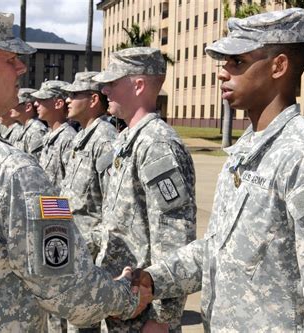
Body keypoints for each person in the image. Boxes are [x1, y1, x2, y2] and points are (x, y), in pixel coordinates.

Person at [0, 7, 151, 331]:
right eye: (9, 59)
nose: (21, 68)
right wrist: (127, 296)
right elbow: (70, 291)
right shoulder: (13, 171)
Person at [131, 8, 304, 332]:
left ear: (278, 66)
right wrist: (155, 278)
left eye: (238, 63)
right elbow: (220, 248)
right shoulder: (246, 148)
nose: (222, 73)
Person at [93, 47, 197, 333]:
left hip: (144, 313)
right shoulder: (128, 139)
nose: (105, 90)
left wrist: (163, 318)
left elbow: (174, 235)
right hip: (121, 301)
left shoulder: (157, 145)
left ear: (138, 85)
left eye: (113, 82)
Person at [61, 71, 117, 260]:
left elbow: (112, 208)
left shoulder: (104, 140)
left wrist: (87, 246)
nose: (68, 100)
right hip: (69, 243)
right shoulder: (81, 138)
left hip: (88, 252)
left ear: (93, 99)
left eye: (75, 95)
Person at [32, 80, 76, 190]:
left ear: (58, 104)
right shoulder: (48, 136)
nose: (36, 104)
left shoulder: (68, 138)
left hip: (58, 206)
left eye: (42, 99)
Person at [10, 87, 47, 159]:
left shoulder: (37, 131)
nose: (11, 107)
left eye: (15, 104)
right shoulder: (20, 128)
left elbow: (35, 162)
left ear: (28, 107)